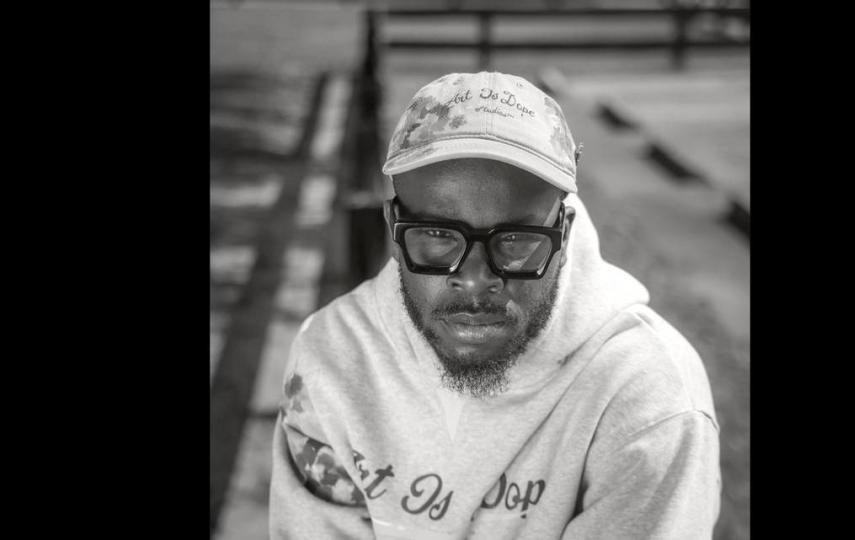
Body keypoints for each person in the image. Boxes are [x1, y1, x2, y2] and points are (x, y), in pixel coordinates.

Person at [269, 71, 721, 539]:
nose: (476, 278)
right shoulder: (330, 364)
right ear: (392, 224)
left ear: (562, 233)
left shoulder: (648, 395)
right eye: (439, 236)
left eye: (516, 240)